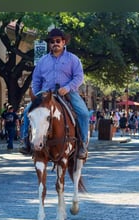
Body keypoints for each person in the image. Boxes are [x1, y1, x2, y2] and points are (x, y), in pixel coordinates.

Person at [20, 28, 89, 159]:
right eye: (52, 41)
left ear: (64, 42)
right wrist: (36, 95)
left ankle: (82, 145)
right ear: (49, 44)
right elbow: (36, 80)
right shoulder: (42, 61)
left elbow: (79, 77)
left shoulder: (73, 59)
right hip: (45, 93)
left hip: (67, 93)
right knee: (27, 111)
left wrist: (68, 87)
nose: (55, 43)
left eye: (58, 41)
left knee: (84, 114)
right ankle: (25, 141)